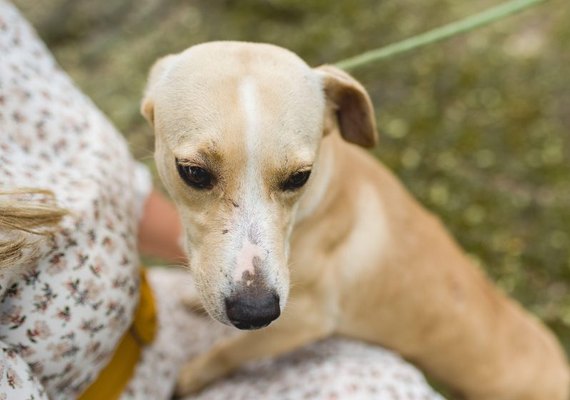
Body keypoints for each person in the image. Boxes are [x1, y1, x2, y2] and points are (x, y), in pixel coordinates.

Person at [0, 1, 444, 399]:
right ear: (150, 106)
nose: (254, 293)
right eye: (197, 173)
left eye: (293, 178)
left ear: (337, 116)